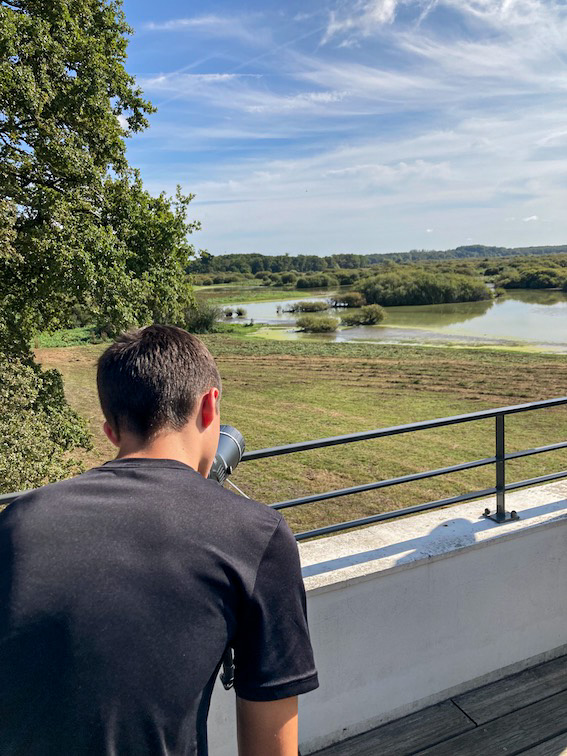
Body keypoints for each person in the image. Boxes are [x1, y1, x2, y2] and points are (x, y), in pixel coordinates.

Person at [0, 325, 318, 755]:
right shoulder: (256, 535)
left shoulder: (17, 521)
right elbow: (271, 747)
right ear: (210, 406)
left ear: (111, 429)